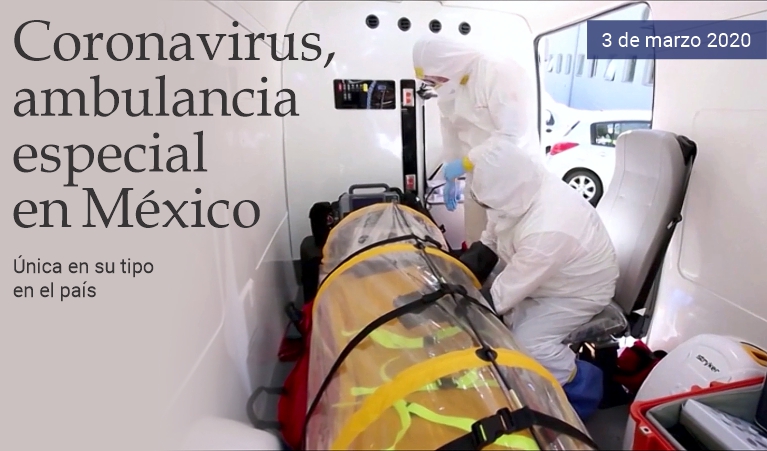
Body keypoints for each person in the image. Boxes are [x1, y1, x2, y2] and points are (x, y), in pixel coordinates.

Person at [468, 142, 620, 421]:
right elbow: (491, 237)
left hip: (577, 290)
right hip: (542, 278)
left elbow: (502, 294)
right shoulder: (517, 186)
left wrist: (461, 307)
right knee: (502, 328)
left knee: (528, 344)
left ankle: (584, 391)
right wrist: (462, 272)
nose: (489, 209)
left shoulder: (550, 225)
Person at [412, 35, 540, 244]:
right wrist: (452, 172)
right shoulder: (450, 86)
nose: (435, 85)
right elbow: (451, 132)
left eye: (434, 79)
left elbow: (513, 135)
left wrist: (467, 162)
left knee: (507, 241)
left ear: (448, 63)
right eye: (429, 81)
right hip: (477, 171)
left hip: (513, 177)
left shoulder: (497, 70)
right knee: (475, 237)